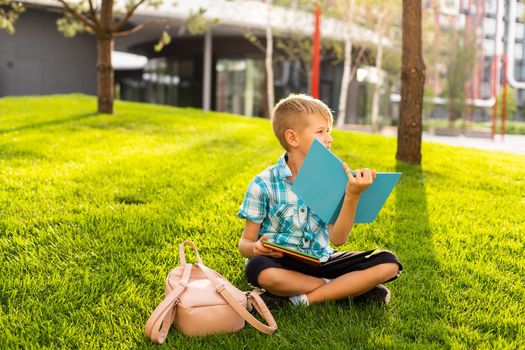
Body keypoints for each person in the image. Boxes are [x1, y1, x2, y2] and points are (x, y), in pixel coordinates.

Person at [237, 94, 402, 307]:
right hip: (280, 263)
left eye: (329, 132)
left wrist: (352, 195)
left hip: (322, 260)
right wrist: (256, 248)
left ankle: (300, 300)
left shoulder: (336, 180)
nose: (329, 138)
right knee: (259, 270)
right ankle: (345, 288)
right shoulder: (264, 183)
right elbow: (245, 244)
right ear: (292, 138)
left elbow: (338, 239)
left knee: (388, 263)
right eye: (321, 132)